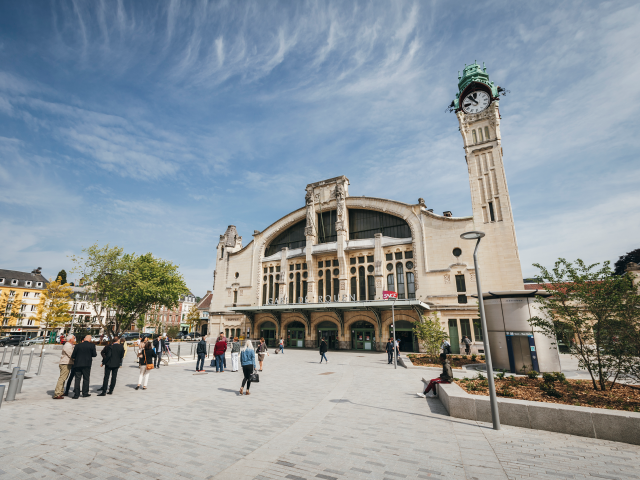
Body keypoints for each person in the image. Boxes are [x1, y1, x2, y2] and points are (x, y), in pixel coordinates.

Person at [70, 335, 97, 399]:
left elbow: (73, 355)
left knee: (77, 379)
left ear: (84, 339)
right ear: (89, 339)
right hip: (87, 364)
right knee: (86, 379)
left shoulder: (77, 346)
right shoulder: (92, 345)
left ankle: (76, 394)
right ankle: (85, 393)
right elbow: (94, 355)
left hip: (78, 364)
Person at [53, 334, 75, 399]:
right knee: (62, 378)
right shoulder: (68, 346)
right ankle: (57, 394)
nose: (74, 339)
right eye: (74, 338)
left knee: (64, 378)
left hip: (67, 363)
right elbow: (71, 355)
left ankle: (60, 392)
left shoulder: (69, 345)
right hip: (65, 363)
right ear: (70, 339)